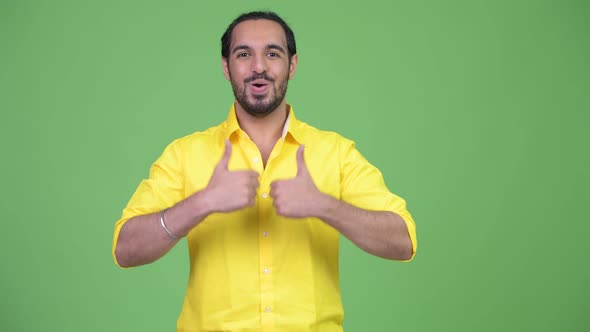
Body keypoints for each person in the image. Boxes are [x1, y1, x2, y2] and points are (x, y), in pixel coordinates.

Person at [112, 11, 417, 332]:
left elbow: (402, 242)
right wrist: (203, 202)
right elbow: (126, 249)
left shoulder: (337, 152)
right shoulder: (185, 154)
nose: (259, 66)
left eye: (273, 53)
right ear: (226, 67)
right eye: (244, 54)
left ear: (293, 65)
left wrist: (324, 205)